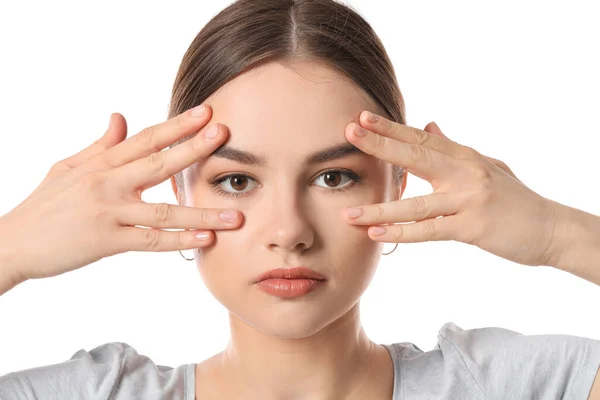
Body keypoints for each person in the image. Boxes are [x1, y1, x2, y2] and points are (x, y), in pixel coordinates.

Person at [1, 0, 599, 398]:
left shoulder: (513, 386)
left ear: (398, 182)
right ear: (176, 188)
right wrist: (13, 248)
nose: (289, 231)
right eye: (237, 180)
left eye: (333, 177)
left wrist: (558, 234)